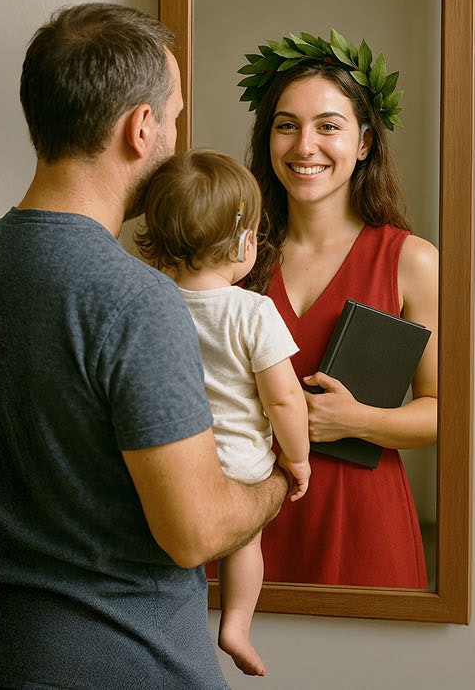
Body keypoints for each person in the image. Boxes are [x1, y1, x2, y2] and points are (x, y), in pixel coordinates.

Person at [0, 4, 291, 690]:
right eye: (173, 119)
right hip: (132, 663)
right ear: (140, 127)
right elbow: (196, 532)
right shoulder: (136, 299)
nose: (175, 140)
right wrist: (276, 484)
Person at [237, 36, 439, 589]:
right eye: (287, 125)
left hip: (363, 525)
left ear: (365, 142)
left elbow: (444, 412)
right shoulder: (233, 255)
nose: (305, 146)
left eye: (328, 126)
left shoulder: (412, 261)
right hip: (247, 522)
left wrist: (357, 421)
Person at [134, 149, 311, 677]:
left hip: (172, 460)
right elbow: (284, 399)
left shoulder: (151, 303)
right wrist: (297, 457)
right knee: (245, 541)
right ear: (242, 242)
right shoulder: (253, 311)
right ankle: (235, 623)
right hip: (240, 463)